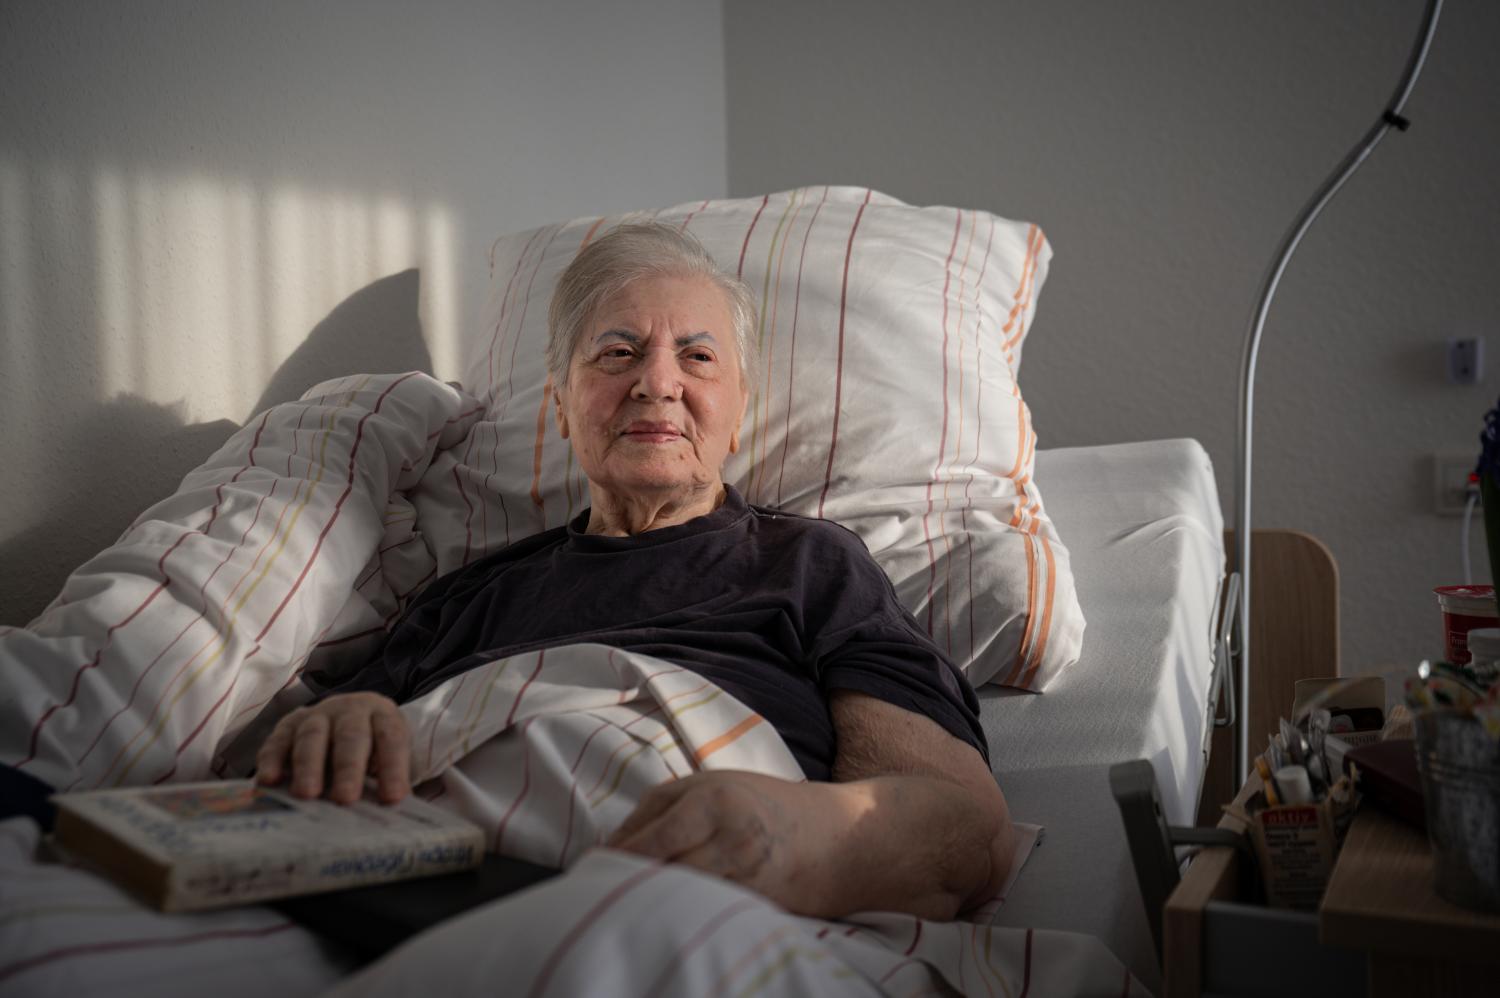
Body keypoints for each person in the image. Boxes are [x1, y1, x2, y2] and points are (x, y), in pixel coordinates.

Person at [254, 223, 1016, 922]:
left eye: (698, 356)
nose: (657, 382)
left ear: (739, 410)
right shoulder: (467, 594)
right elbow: (305, 777)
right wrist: (340, 726)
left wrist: (791, 839)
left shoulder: (812, 566)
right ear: (559, 405)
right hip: (427, 896)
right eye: (617, 353)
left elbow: (960, 830)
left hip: (678, 906)